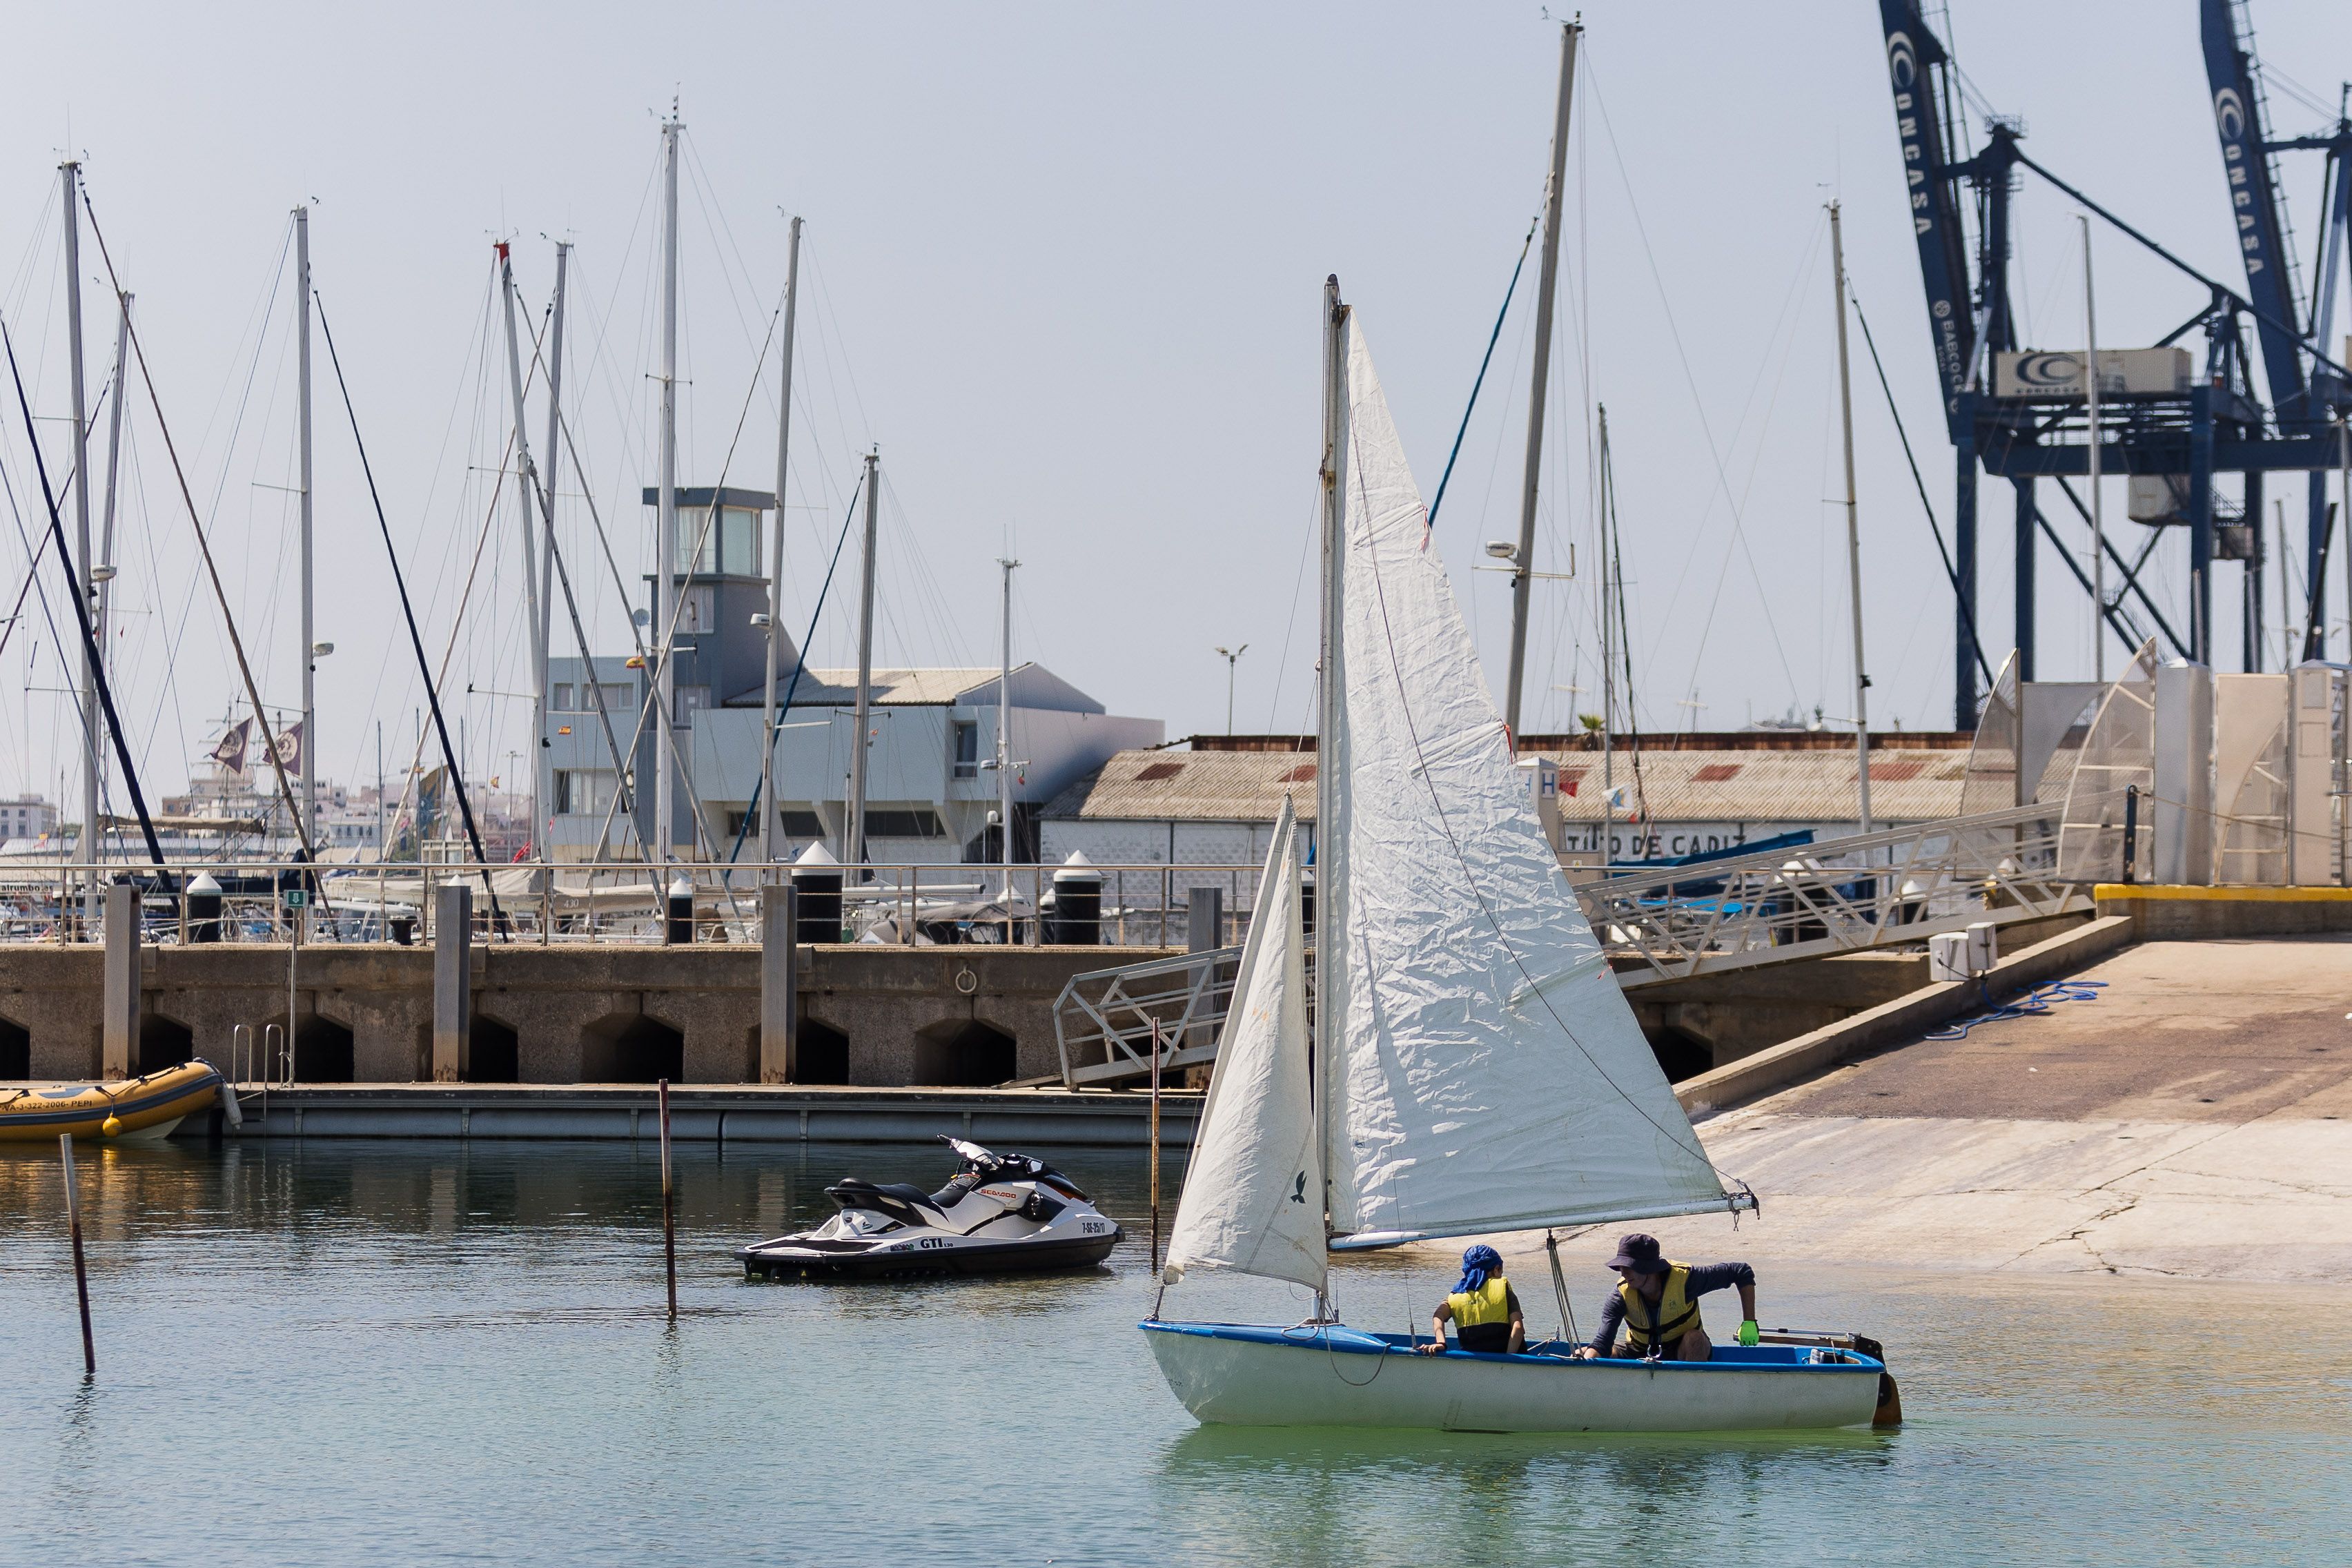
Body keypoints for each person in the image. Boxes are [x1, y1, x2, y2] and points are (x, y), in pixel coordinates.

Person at [1571, 1232, 1758, 1362]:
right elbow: (1603, 1343)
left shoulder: (1687, 1280)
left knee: (1695, 1338)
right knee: (1583, 1353)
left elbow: (1741, 1271)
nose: (1623, 1272)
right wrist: (1585, 1365)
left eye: (1629, 1266)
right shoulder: (1619, 1295)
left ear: (1649, 1268)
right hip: (1638, 1352)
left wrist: (1749, 1322)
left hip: (1682, 1351)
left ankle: (1692, 1398)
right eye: (1621, 1266)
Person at [1416, 1244, 1526, 1355]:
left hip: (1472, 1363)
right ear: (1497, 1269)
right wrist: (1507, 1360)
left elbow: (1438, 1315)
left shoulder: (1455, 1295)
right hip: (1506, 1361)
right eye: (1501, 1272)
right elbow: (1518, 1328)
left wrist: (1441, 1343)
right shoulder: (1503, 1288)